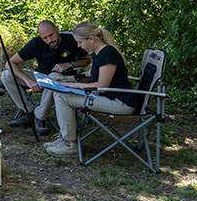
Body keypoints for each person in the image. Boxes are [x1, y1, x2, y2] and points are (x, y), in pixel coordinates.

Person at [44, 22, 135, 156]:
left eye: (80, 42)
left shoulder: (108, 54)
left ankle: (70, 144)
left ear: (91, 39)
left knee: (63, 97)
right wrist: (67, 79)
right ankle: (65, 138)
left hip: (120, 103)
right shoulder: (99, 53)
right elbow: (92, 74)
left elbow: (101, 86)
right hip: (108, 98)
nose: (79, 46)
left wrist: (74, 86)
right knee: (61, 93)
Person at [1, 20, 90, 135]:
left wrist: (69, 64)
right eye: (45, 38)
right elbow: (10, 63)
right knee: (6, 75)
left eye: (51, 35)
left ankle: (40, 117)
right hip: (40, 77)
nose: (49, 40)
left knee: (53, 77)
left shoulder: (71, 40)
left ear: (57, 29)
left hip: (61, 80)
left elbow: (87, 60)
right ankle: (28, 112)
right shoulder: (36, 43)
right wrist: (28, 81)